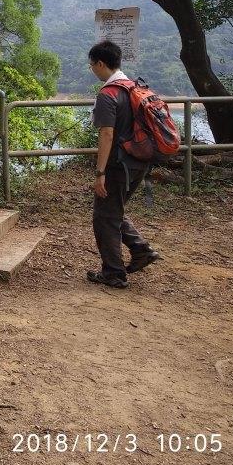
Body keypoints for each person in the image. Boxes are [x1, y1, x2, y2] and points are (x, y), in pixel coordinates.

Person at [87, 40, 162, 288]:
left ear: (100, 63)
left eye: (92, 65)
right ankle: (141, 250)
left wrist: (100, 173)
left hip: (119, 165)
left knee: (104, 217)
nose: (92, 70)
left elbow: (106, 134)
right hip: (140, 161)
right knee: (113, 210)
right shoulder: (133, 87)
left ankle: (114, 273)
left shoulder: (108, 94)